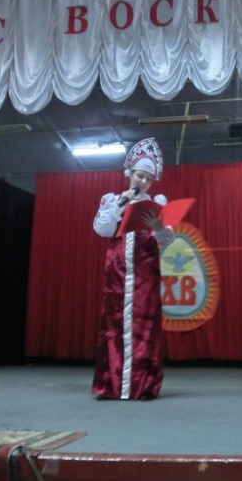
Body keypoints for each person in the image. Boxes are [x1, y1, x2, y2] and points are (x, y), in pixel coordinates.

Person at [92, 137, 174, 400]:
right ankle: (110, 384)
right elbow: (102, 229)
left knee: (145, 324)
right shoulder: (112, 200)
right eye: (140, 176)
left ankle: (144, 385)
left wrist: (158, 226)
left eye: (148, 179)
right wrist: (120, 203)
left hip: (146, 270)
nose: (144, 182)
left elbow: (168, 240)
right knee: (113, 323)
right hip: (117, 269)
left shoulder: (157, 203)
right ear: (130, 174)